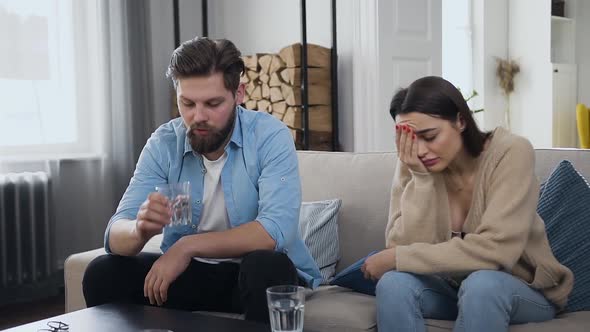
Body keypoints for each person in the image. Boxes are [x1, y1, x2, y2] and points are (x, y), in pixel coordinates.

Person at [82, 37, 321, 323]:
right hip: (191, 275)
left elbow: (271, 232)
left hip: (253, 274)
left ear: (239, 93)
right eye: (187, 103)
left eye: (213, 103)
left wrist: (187, 246)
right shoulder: (164, 144)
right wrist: (139, 230)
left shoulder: (270, 136)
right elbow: (114, 234)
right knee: (103, 272)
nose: (198, 116)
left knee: (266, 265)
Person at [361, 76, 574, 332]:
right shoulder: (414, 162)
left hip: (523, 289)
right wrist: (421, 180)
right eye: (409, 138)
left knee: (482, 284)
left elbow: (497, 251)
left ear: (461, 120)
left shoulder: (511, 152)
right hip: (451, 288)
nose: (419, 150)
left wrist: (398, 256)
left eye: (429, 135)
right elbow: (401, 247)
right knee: (393, 284)